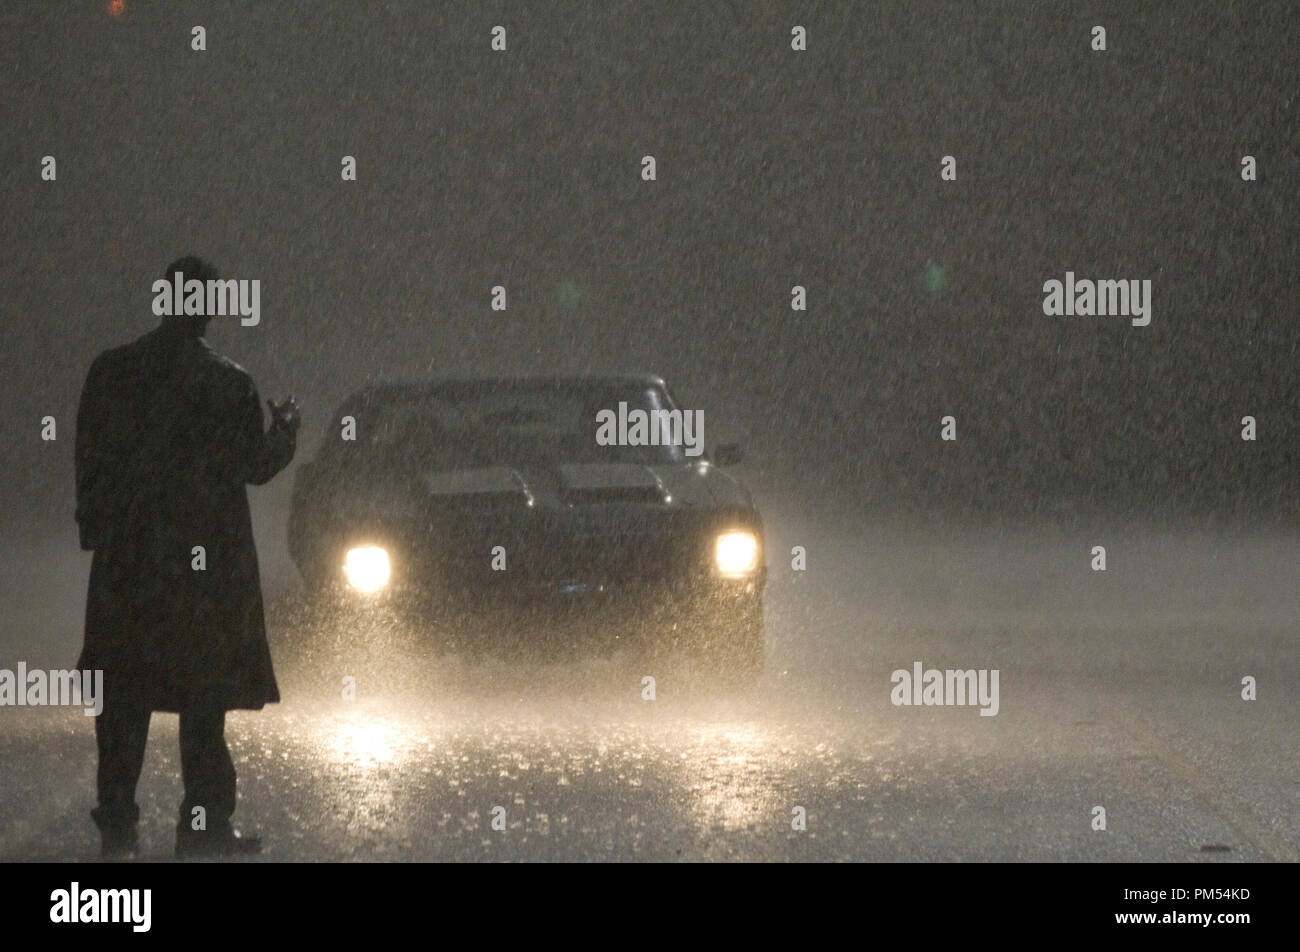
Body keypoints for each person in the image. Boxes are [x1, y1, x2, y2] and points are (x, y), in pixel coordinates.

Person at [75, 255, 300, 858]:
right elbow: (254, 466)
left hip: (129, 565)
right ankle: (203, 823)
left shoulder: (112, 372)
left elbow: (89, 459)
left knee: (122, 696)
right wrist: (286, 434)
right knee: (203, 698)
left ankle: (117, 816)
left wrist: (95, 529)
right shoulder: (228, 383)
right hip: (205, 570)